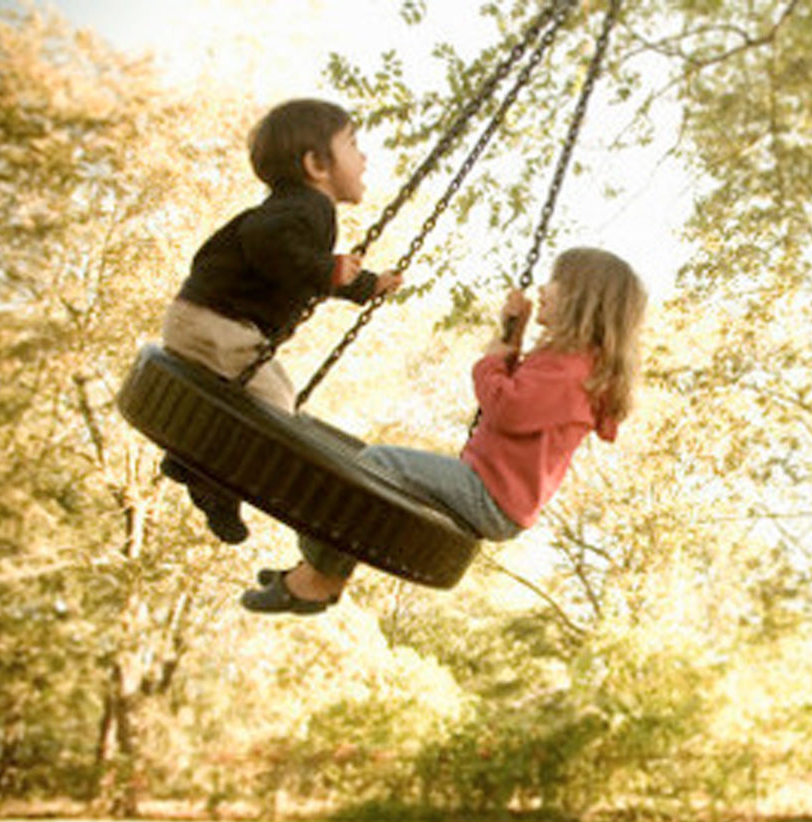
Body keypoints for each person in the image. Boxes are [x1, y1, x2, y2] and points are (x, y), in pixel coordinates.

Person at [241, 246, 646, 614]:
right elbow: (523, 400)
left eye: (556, 282)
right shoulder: (571, 364)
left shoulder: (571, 370)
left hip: (490, 495)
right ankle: (321, 573)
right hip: (494, 492)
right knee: (372, 475)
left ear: (582, 301)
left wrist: (490, 360)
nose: (542, 288)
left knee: (376, 464)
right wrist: (514, 336)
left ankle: (316, 580)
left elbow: (507, 409)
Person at [160, 98, 404, 545]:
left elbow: (302, 267)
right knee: (274, 406)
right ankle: (212, 483)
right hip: (217, 321)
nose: (364, 156)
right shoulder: (305, 208)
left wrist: (366, 285)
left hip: (204, 319)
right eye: (353, 144)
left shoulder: (298, 209)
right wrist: (330, 270)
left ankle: (188, 455)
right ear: (316, 165)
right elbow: (269, 243)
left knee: (256, 396)